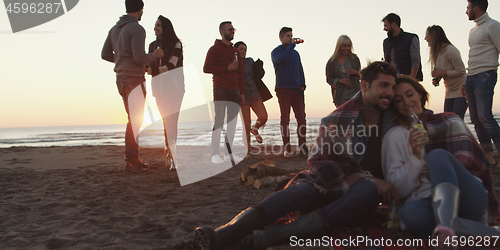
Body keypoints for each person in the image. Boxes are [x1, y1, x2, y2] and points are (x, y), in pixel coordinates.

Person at [193, 61, 401, 250]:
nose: (389, 92)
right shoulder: (338, 118)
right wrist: (368, 177)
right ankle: (225, 233)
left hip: (358, 197)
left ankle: (271, 236)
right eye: (383, 85)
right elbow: (318, 163)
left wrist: (370, 181)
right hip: (330, 184)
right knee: (301, 190)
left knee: (368, 191)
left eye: (392, 87)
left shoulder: (396, 117)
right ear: (364, 85)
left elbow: (428, 125)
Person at [381, 76, 499, 248]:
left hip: (468, 197)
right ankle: (463, 231)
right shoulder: (394, 136)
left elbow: (474, 165)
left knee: (437, 156)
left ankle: (446, 226)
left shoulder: (449, 120)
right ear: (394, 107)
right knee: (410, 214)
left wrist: (443, 169)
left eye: (409, 94)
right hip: (427, 203)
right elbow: (397, 190)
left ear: (420, 95)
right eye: (398, 100)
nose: (406, 102)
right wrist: (415, 156)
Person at [101, 0, 163, 173]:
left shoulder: (114, 29)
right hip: (134, 79)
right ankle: (130, 159)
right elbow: (139, 58)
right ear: (140, 10)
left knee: (133, 119)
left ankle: (133, 157)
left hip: (120, 79)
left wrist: (121, 60)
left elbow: (105, 54)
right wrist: (155, 54)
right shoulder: (137, 29)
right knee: (135, 120)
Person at [204, 21, 245, 164]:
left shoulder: (235, 51)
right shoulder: (214, 49)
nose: (232, 31)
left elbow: (241, 72)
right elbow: (206, 68)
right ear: (222, 31)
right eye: (229, 29)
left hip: (235, 90)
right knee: (219, 121)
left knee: (232, 123)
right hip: (220, 88)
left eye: (233, 29)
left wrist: (242, 92)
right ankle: (215, 154)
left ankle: (229, 154)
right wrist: (226, 68)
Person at [465, 0, 500, 168]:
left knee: (485, 117)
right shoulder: (473, 30)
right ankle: (490, 159)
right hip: (471, 77)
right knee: (475, 119)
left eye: (468, 8)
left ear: (476, 8)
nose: (466, 11)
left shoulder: (493, 26)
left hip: (485, 75)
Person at [147, 16, 184, 170]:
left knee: (172, 121)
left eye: (159, 25)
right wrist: (150, 67)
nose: (156, 28)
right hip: (159, 89)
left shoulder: (176, 44)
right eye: (155, 25)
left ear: (165, 27)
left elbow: (172, 65)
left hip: (174, 88)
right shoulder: (152, 45)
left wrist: (154, 70)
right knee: (165, 122)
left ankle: (173, 157)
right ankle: (169, 155)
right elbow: (148, 65)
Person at [271, 27, 307, 157]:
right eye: (287, 36)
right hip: (283, 89)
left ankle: (303, 147)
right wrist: (291, 46)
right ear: (281, 38)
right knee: (285, 119)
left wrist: (303, 84)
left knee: (301, 118)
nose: (290, 38)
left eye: (291, 35)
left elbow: (300, 69)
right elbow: (282, 59)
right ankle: (287, 148)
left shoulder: (296, 54)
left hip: (297, 90)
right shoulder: (276, 52)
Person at [234, 41, 269, 156]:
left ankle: (255, 129)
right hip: (242, 95)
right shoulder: (233, 64)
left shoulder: (250, 61)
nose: (243, 51)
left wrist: (259, 66)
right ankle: (247, 151)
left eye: (244, 49)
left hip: (254, 92)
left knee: (263, 116)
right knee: (246, 124)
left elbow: (259, 74)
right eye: (240, 49)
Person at [425, 25, 468, 119]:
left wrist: (442, 73)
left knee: (457, 120)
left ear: (434, 37)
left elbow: (461, 71)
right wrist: (437, 79)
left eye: (427, 36)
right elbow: (442, 71)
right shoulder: (436, 53)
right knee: (447, 120)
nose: (425, 38)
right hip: (449, 91)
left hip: (461, 90)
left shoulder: (451, 50)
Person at [382, 13, 423, 81]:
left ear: (393, 25)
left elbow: (415, 61)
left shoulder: (411, 38)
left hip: (410, 81)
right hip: (394, 81)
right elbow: (387, 63)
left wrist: (411, 80)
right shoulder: (386, 42)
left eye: (386, 26)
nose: (384, 29)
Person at [325, 35, 361, 107]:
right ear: (339, 46)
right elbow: (329, 79)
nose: (347, 48)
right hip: (340, 96)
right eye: (344, 46)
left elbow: (362, 76)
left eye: (349, 46)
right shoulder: (331, 62)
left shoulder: (354, 59)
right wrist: (340, 81)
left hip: (356, 94)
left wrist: (356, 73)